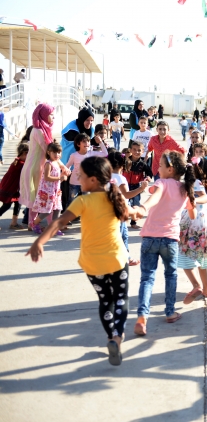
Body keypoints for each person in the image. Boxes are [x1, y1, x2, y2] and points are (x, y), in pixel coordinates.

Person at [26, 156, 136, 366]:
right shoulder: (115, 197)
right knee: (121, 298)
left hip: (92, 264)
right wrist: (142, 210)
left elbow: (60, 221)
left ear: (93, 180)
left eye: (82, 175)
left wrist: (40, 241)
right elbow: (133, 213)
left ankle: (110, 333)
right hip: (116, 259)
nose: (77, 176)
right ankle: (117, 338)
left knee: (105, 300)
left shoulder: (82, 201)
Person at [131, 151, 197, 335]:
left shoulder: (162, 183)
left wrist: (143, 207)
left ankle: (142, 317)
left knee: (147, 278)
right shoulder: (185, 189)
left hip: (150, 238)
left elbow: (156, 197)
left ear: (170, 169)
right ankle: (169, 312)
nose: (157, 168)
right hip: (170, 240)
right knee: (171, 275)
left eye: (160, 166)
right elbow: (193, 214)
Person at [20, 104, 69, 225]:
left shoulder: (42, 129)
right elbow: (50, 151)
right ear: (44, 115)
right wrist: (63, 167)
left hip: (38, 166)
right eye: (51, 114)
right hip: (36, 168)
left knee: (43, 197)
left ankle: (45, 223)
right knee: (38, 198)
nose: (53, 117)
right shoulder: (39, 131)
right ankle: (35, 224)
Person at [180, 153, 207, 304]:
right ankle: (206, 288)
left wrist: (192, 200)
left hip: (193, 222)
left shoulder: (196, 183)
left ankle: (196, 285)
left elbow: (204, 197)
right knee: (202, 257)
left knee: (183, 257)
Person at [60, 107, 95, 210]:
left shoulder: (90, 129)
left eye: (91, 120)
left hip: (81, 164)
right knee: (67, 189)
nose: (89, 123)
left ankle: (77, 210)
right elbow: (80, 139)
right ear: (82, 119)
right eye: (87, 120)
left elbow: (91, 142)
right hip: (68, 161)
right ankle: (65, 210)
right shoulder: (72, 129)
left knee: (81, 188)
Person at [31, 142, 67, 235]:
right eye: (54, 152)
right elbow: (47, 177)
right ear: (48, 152)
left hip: (56, 191)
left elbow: (57, 178)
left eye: (59, 152)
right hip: (48, 192)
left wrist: (63, 176)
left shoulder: (57, 163)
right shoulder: (49, 163)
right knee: (47, 211)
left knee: (57, 209)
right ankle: (34, 223)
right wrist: (60, 178)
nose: (57, 155)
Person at [66, 133, 108, 206]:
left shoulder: (91, 153)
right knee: (72, 201)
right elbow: (67, 166)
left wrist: (100, 142)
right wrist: (67, 171)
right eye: (84, 141)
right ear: (78, 144)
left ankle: (85, 216)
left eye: (88, 141)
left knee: (87, 202)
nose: (87, 143)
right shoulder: (74, 155)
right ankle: (70, 216)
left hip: (87, 184)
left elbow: (105, 154)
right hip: (74, 183)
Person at [0, 143, 28, 230]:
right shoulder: (21, 164)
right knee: (7, 205)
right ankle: (14, 223)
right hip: (11, 188)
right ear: (24, 153)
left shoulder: (19, 161)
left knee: (18, 203)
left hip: (12, 187)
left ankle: (14, 222)